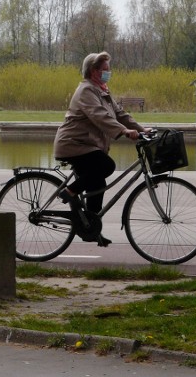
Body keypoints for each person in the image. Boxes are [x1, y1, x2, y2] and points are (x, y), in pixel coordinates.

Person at [53, 51, 147, 247]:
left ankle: (92, 229)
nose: (108, 73)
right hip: (74, 145)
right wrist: (125, 132)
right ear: (93, 71)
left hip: (87, 146)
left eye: (108, 69)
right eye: (105, 69)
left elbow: (120, 114)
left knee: (97, 184)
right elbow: (100, 117)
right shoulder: (86, 91)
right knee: (106, 166)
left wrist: (141, 129)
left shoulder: (102, 90)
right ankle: (69, 191)